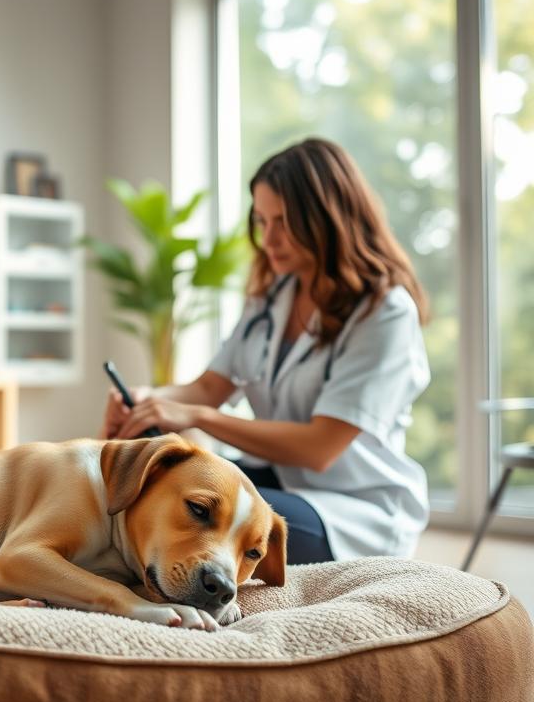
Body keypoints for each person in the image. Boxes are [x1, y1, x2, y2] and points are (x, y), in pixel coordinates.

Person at [102, 137, 431, 564]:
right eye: (261, 220)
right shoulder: (272, 298)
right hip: (283, 479)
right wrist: (148, 400)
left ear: (328, 220)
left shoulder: (385, 312)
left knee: (220, 523)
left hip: (355, 508)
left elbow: (320, 447)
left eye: (284, 222)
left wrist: (197, 417)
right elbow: (207, 387)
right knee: (168, 487)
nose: (268, 238)